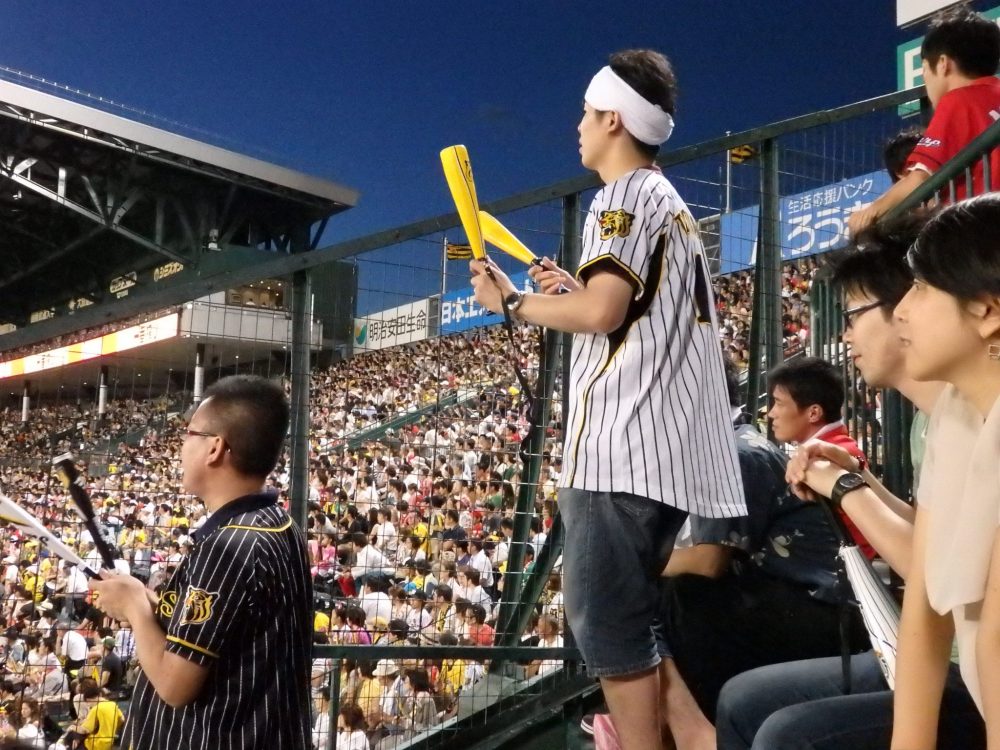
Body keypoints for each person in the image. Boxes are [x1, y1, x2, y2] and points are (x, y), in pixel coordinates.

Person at [472, 49, 745, 750]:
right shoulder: (666, 200)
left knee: (608, 626)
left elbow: (602, 313)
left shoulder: (622, 196)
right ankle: (698, 738)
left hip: (623, 451)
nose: (579, 127)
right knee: (638, 621)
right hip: (661, 449)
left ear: (616, 120)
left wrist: (513, 301)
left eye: (589, 115)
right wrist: (574, 290)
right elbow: (619, 307)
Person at [715, 215, 985, 749]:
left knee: (784, 734)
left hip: (967, 671)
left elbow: (937, 574)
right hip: (946, 655)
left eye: (855, 314)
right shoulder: (937, 421)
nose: (845, 334)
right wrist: (856, 477)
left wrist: (846, 489)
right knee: (742, 701)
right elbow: (941, 544)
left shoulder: (972, 413)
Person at [88, 375, 313, 749]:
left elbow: (175, 685)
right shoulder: (278, 524)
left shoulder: (227, 546)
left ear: (216, 448)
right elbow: (229, 631)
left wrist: (135, 609)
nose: (180, 447)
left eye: (188, 434)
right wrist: (146, 601)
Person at [848, 6, 1000, 234]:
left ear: (943, 63)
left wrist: (870, 212)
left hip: (978, 235)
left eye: (924, 71)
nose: (925, 81)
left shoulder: (958, 101)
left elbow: (921, 176)